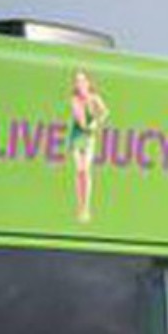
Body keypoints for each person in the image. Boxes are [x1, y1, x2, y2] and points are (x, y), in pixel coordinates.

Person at [68, 69, 109, 223]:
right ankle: (80, 206)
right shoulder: (75, 100)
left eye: (83, 80)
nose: (80, 84)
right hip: (78, 135)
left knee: (86, 170)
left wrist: (97, 122)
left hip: (89, 137)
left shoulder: (94, 98)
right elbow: (80, 121)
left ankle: (86, 207)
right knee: (79, 171)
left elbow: (105, 112)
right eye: (77, 81)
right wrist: (89, 125)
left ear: (88, 82)